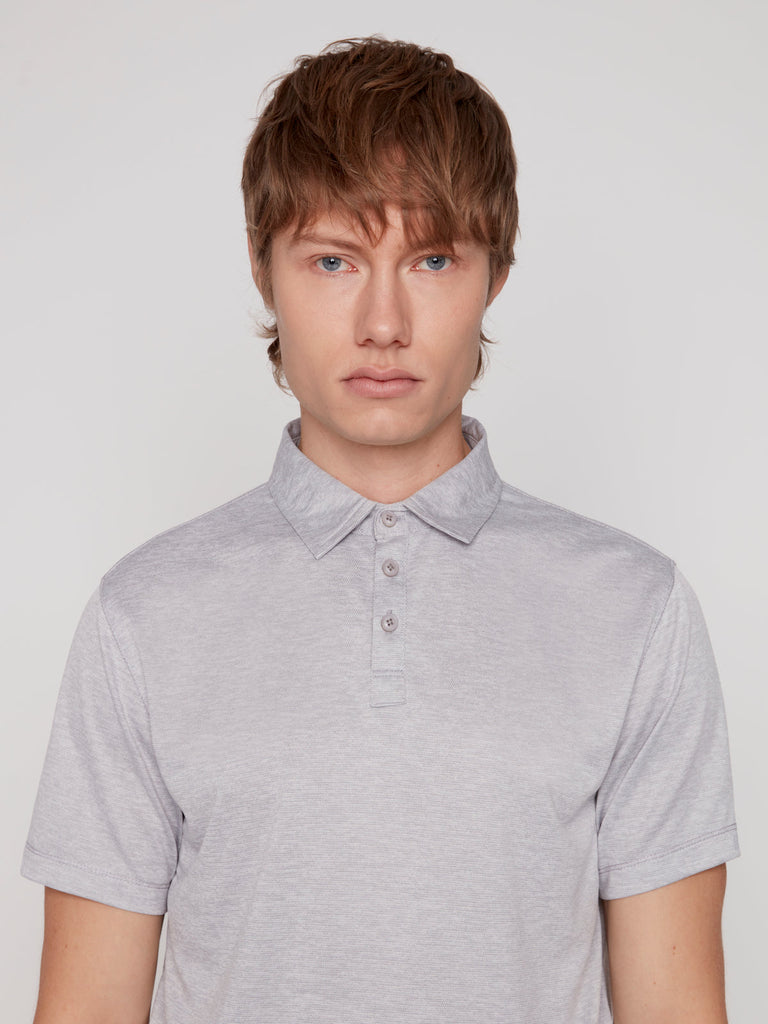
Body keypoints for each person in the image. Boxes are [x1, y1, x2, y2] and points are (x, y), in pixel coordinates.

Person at [21, 35, 740, 1024]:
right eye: (334, 259)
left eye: (433, 258)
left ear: (494, 273)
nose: (384, 321)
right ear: (265, 270)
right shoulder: (142, 617)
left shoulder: (635, 611)